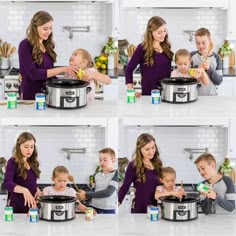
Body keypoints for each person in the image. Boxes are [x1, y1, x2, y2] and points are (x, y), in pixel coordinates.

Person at [18, 11, 78, 100]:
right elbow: (33, 74)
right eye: (45, 29)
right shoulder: (25, 45)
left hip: (48, 95)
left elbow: (49, 75)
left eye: (50, 28)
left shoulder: (47, 45)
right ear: (35, 28)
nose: (48, 32)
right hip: (31, 97)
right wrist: (63, 69)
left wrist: (67, 83)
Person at [125, 16, 174, 96]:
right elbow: (129, 69)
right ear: (151, 32)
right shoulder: (142, 48)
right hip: (149, 95)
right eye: (159, 32)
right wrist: (130, 89)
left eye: (164, 31)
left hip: (166, 93)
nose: (163, 35)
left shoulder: (166, 46)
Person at [118, 133, 162, 213]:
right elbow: (125, 186)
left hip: (156, 208)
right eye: (147, 149)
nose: (151, 151)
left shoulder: (158, 163)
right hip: (140, 207)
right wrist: (117, 202)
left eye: (153, 147)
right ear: (140, 149)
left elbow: (162, 184)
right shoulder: (133, 165)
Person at [3, 132, 41, 213]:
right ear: (19, 146)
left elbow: (29, 181)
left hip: (31, 207)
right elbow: (7, 183)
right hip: (17, 207)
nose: (29, 150)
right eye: (26, 146)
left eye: (32, 147)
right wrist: (24, 190)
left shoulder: (32, 162)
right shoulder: (12, 162)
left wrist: (37, 189)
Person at [77, 148, 118, 214]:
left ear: (113, 160)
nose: (102, 162)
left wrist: (86, 194)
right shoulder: (96, 175)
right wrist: (84, 197)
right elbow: (93, 191)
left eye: (105, 160)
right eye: (100, 160)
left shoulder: (116, 174)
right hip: (93, 207)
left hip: (108, 209)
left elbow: (108, 192)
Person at [191, 28, 223, 96]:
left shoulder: (217, 58)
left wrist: (209, 69)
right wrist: (197, 68)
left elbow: (219, 81)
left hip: (212, 95)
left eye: (203, 43)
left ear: (209, 41)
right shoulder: (191, 56)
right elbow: (186, 74)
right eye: (198, 43)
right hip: (195, 95)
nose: (201, 46)